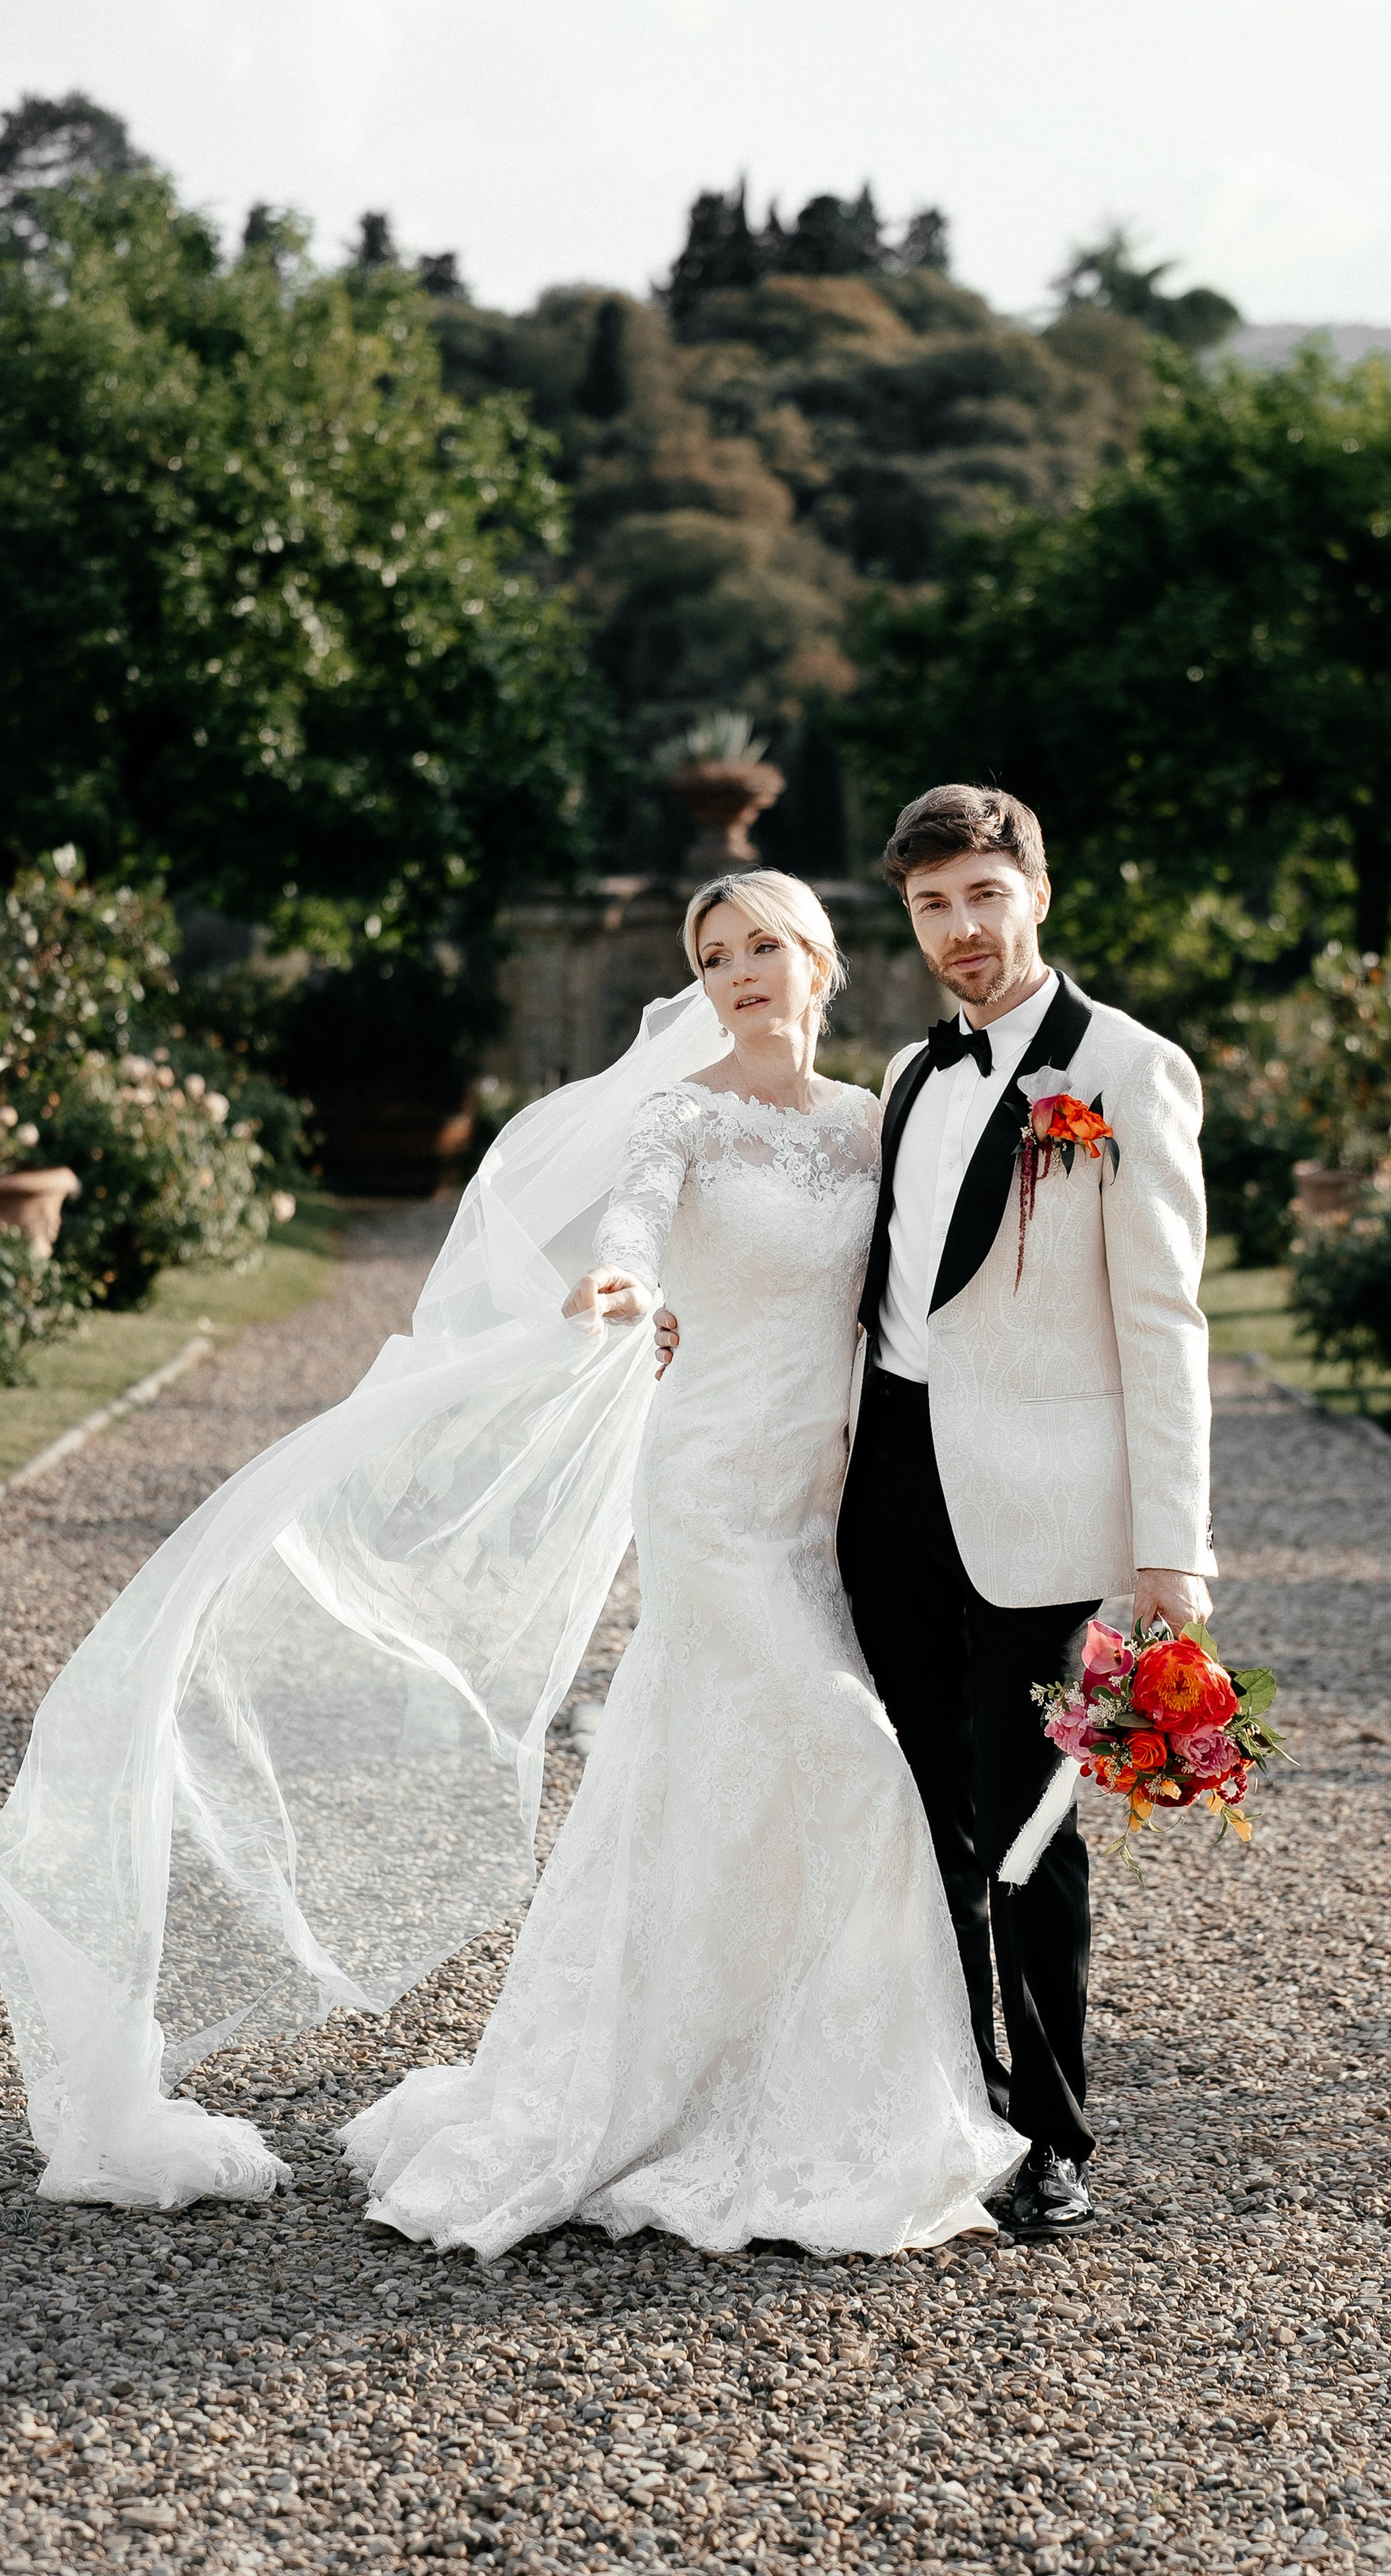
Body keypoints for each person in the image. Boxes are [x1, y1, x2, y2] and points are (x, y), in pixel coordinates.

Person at [0, 872, 1021, 2256]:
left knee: (721, 1771)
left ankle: (747, 2074)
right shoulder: (681, 1115)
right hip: (713, 1489)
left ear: (824, 960)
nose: (738, 973)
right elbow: (633, 1232)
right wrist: (619, 1289)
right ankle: (778, 2106)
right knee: (845, 1756)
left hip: (831, 1490)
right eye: (713, 955)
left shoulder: (872, 1125)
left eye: (763, 947)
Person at [658, 787, 1217, 2239]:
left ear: (1037, 889)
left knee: (1027, 1817)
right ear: (904, 921)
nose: (961, 932)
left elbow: (1166, 1324)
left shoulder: (1133, 1073)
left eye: (983, 896)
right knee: (911, 1812)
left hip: (1038, 1502)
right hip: (881, 1479)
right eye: (930, 908)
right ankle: (942, 2099)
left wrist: (1175, 1551)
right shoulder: (909, 1072)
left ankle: (1052, 2131)